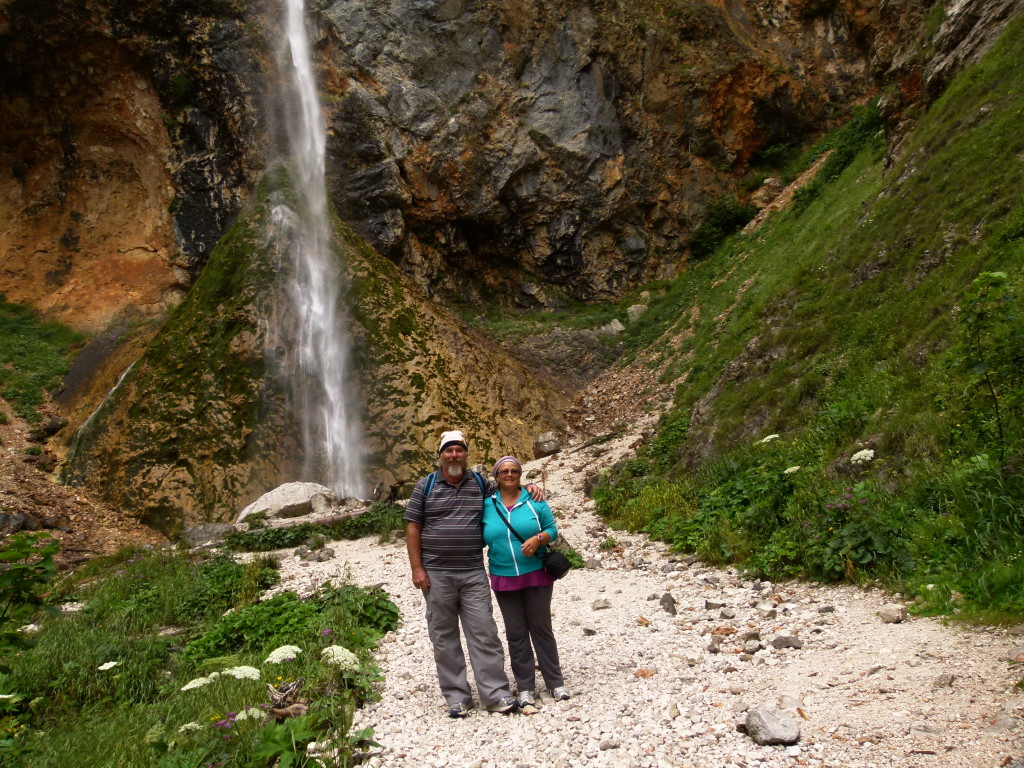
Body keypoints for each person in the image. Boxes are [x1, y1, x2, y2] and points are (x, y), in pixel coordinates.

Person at [405, 430, 542, 718]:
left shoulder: (481, 484)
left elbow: (509, 493)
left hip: (472, 572)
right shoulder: (425, 486)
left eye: (459, 450)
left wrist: (529, 487)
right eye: (448, 450)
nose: (454, 455)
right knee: (443, 636)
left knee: (484, 632)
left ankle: (495, 695)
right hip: (436, 573)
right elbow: (413, 527)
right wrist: (417, 568)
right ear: (440, 455)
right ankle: (457, 697)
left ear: (467, 454)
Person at [482, 455, 569, 707]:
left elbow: (552, 529)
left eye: (514, 471)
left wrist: (538, 538)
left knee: (541, 627)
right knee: (516, 632)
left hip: (537, 572)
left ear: (520, 475)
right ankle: (525, 687)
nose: (509, 475)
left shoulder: (535, 500)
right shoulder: (487, 504)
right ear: (496, 477)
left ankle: (555, 681)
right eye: (504, 471)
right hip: (503, 574)